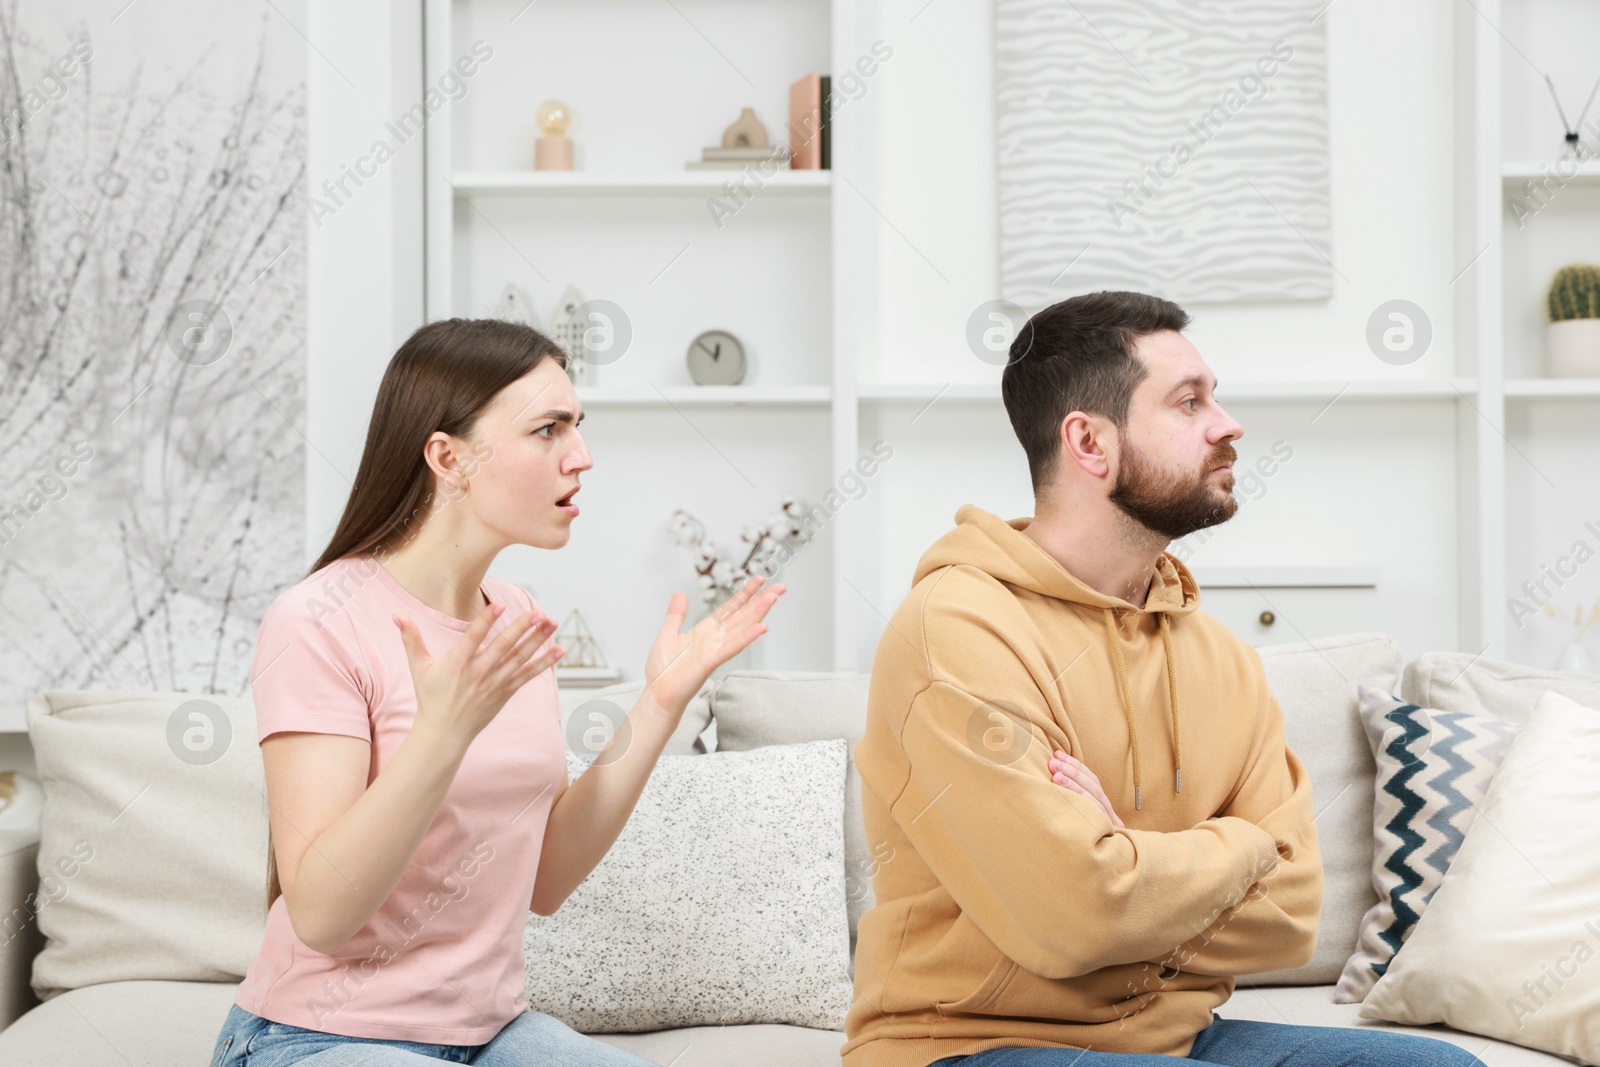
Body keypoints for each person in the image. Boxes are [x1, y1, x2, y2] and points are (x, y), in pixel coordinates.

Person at [840, 291, 1482, 1067]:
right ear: (1090, 442)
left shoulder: (1218, 657)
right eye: (1189, 402)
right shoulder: (956, 631)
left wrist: (1125, 858)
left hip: (1177, 1040)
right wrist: (1244, 846)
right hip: (967, 1045)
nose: (1228, 423)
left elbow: (1292, 912)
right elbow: (1071, 914)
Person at [212, 318, 785, 1066]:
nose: (581, 457)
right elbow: (319, 913)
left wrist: (660, 702)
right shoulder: (318, 619)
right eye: (547, 430)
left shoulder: (513, 614)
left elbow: (545, 877)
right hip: (316, 1035)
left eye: (578, 427)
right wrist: (441, 738)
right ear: (448, 457)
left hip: (488, 1033)